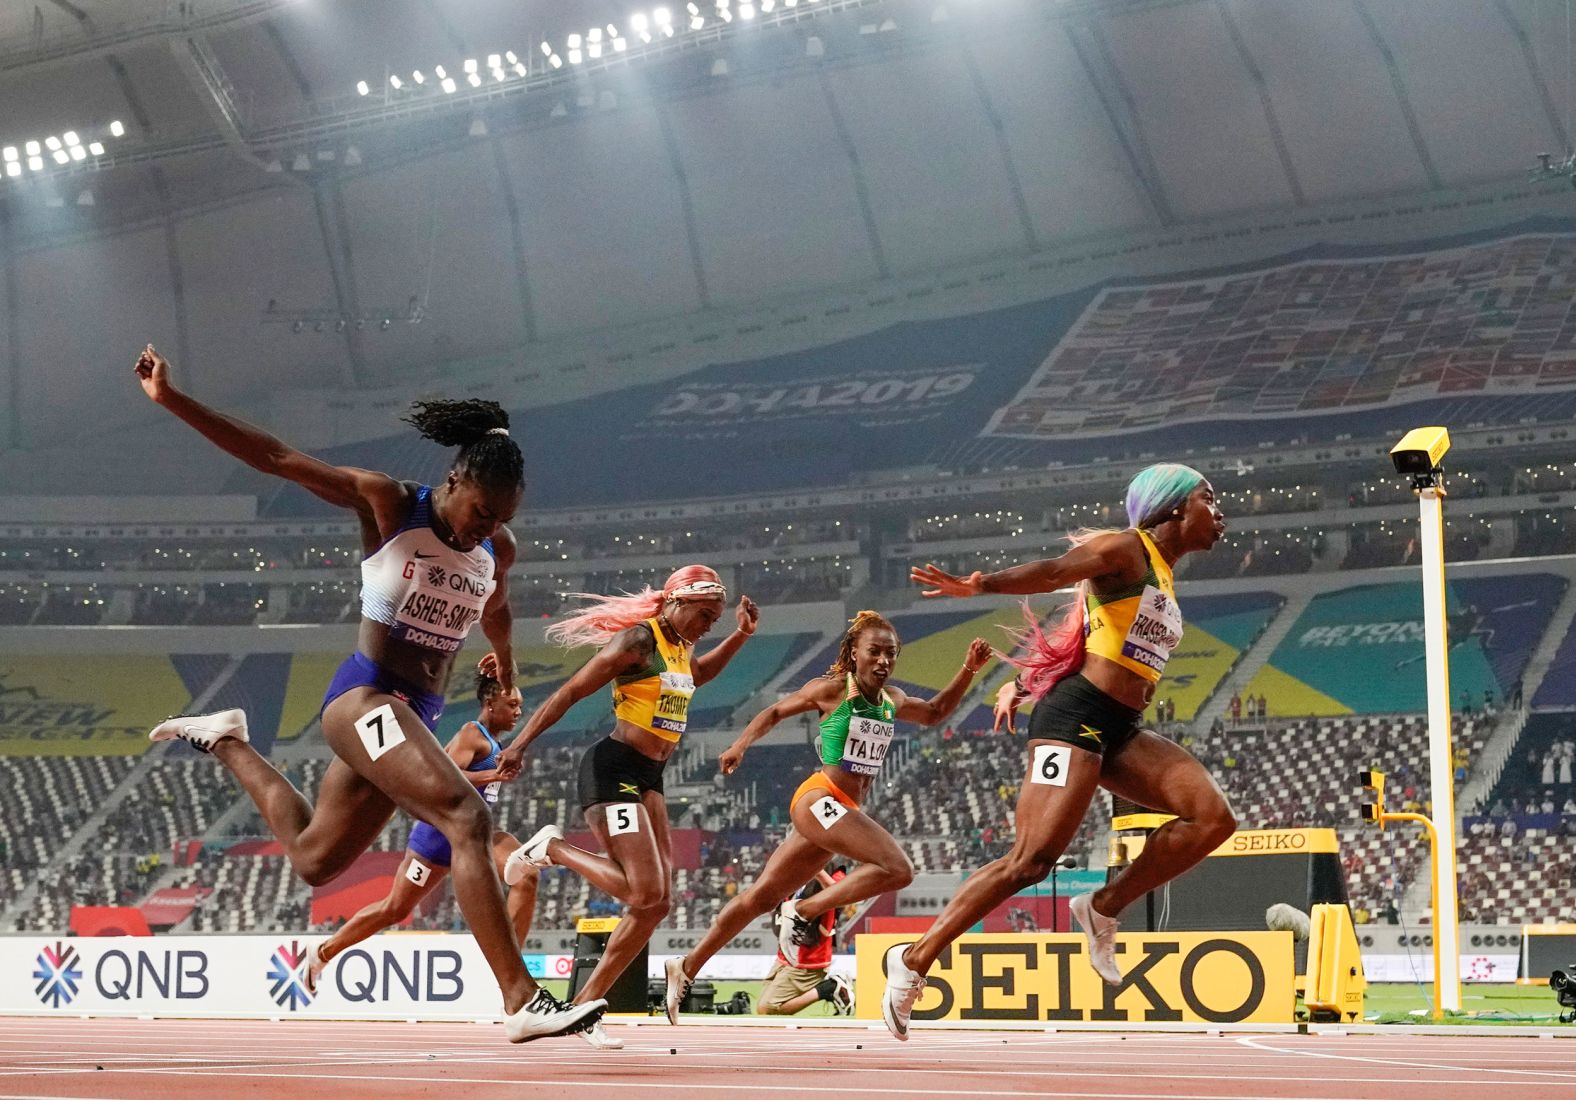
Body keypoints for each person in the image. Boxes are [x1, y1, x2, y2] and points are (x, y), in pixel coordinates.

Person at [134, 345, 601, 1042]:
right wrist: (173, 400)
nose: (485, 527)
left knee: (315, 858)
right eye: (479, 510)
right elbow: (276, 457)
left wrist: (504, 659)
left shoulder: (496, 549)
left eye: (499, 517)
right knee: (467, 819)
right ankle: (521, 1000)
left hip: (416, 714)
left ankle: (227, 739)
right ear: (454, 480)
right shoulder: (389, 504)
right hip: (364, 700)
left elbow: (497, 606)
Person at [884, 463, 1235, 1042]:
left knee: (1212, 818)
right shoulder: (1126, 548)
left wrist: (1023, 683)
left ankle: (1101, 907)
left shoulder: (1163, 577)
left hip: (1119, 725)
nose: (1220, 512)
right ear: (1174, 507)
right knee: (1030, 861)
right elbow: (1052, 572)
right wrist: (982, 586)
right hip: (1076, 719)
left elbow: (1085, 634)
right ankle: (915, 959)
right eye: (1209, 498)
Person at [662, 611, 992, 1022]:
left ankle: (686, 967)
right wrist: (740, 745)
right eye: (874, 652)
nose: (883, 661)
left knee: (760, 897)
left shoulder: (893, 700)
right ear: (854, 653)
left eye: (891, 654)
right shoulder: (834, 689)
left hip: (841, 810)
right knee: (898, 868)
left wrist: (967, 670)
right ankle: (803, 910)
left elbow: (936, 711)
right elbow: (774, 713)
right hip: (819, 797)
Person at [497, 565, 758, 1047]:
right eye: (704, 615)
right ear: (677, 603)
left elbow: (697, 675)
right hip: (613, 769)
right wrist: (520, 744)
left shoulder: (681, 646)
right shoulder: (638, 641)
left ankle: (582, 1010)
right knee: (642, 892)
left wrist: (740, 635)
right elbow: (572, 691)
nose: (708, 625)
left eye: (715, 619)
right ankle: (552, 848)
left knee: (657, 904)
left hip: (650, 778)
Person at [302, 669, 539, 992]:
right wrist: (493, 776)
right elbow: (445, 779)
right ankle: (324, 951)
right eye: (512, 705)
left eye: (519, 706)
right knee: (394, 909)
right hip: (437, 837)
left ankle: (512, 976)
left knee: (526, 874)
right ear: (490, 702)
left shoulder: (497, 745)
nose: (518, 712)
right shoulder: (473, 734)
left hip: (473, 836)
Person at [757, 869, 853, 1016]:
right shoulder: (795, 873)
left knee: (766, 1010)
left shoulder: (834, 873)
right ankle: (828, 988)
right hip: (786, 954)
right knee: (763, 1005)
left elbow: (839, 894)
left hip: (808, 959)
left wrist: (815, 868)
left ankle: (829, 988)